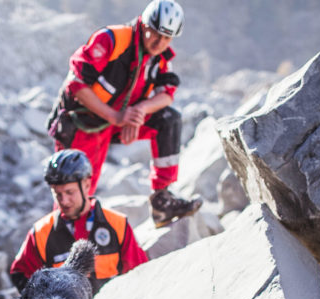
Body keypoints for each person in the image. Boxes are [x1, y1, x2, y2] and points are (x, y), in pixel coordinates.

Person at [45, 0, 202, 228]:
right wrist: (117, 117)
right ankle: (60, 248)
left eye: (167, 38)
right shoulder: (112, 40)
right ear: (143, 24)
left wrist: (138, 112)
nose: (159, 43)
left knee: (168, 120)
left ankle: (162, 199)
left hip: (116, 122)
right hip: (82, 125)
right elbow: (77, 85)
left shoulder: (158, 57)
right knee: (75, 194)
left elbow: (166, 94)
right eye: (155, 34)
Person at [10, 149, 148, 294]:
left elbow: (140, 273)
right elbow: (20, 274)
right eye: (57, 194)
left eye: (70, 192)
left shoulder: (117, 224)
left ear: (87, 184)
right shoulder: (41, 233)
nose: (64, 201)